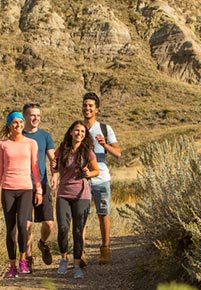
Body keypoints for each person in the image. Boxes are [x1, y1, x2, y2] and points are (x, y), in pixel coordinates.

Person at [0, 111, 43, 278]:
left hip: (26, 189)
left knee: (23, 225)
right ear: (9, 125)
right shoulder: (2, 144)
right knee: (10, 229)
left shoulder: (31, 143)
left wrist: (39, 189)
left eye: (21, 122)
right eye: (15, 122)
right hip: (8, 189)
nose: (19, 125)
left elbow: (35, 169)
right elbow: (0, 168)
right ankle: (12, 265)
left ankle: (23, 260)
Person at [51, 121, 99, 279]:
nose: (79, 134)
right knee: (63, 229)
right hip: (63, 194)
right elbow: (55, 167)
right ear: (71, 131)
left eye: (83, 132)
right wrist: (53, 166)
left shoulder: (87, 151)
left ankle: (77, 266)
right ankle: (64, 259)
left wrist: (87, 174)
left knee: (78, 231)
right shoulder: (62, 149)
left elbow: (96, 171)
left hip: (82, 195)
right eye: (77, 130)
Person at [81, 92, 121, 265]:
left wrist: (105, 145)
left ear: (96, 109)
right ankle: (79, 251)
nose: (87, 108)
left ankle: (105, 249)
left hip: (101, 178)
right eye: (85, 105)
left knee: (103, 213)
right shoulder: (78, 128)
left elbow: (118, 153)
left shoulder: (105, 128)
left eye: (91, 105)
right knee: (81, 215)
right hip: (82, 179)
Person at [21, 103, 57, 270]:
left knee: (49, 223)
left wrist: (55, 174)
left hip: (42, 184)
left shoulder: (45, 136)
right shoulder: (19, 135)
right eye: (32, 115)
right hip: (23, 185)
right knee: (26, 224)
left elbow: (53, 159)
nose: (36, 118)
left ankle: (42, 243)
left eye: (38, 116)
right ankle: (28, 258)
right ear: (25, 116)